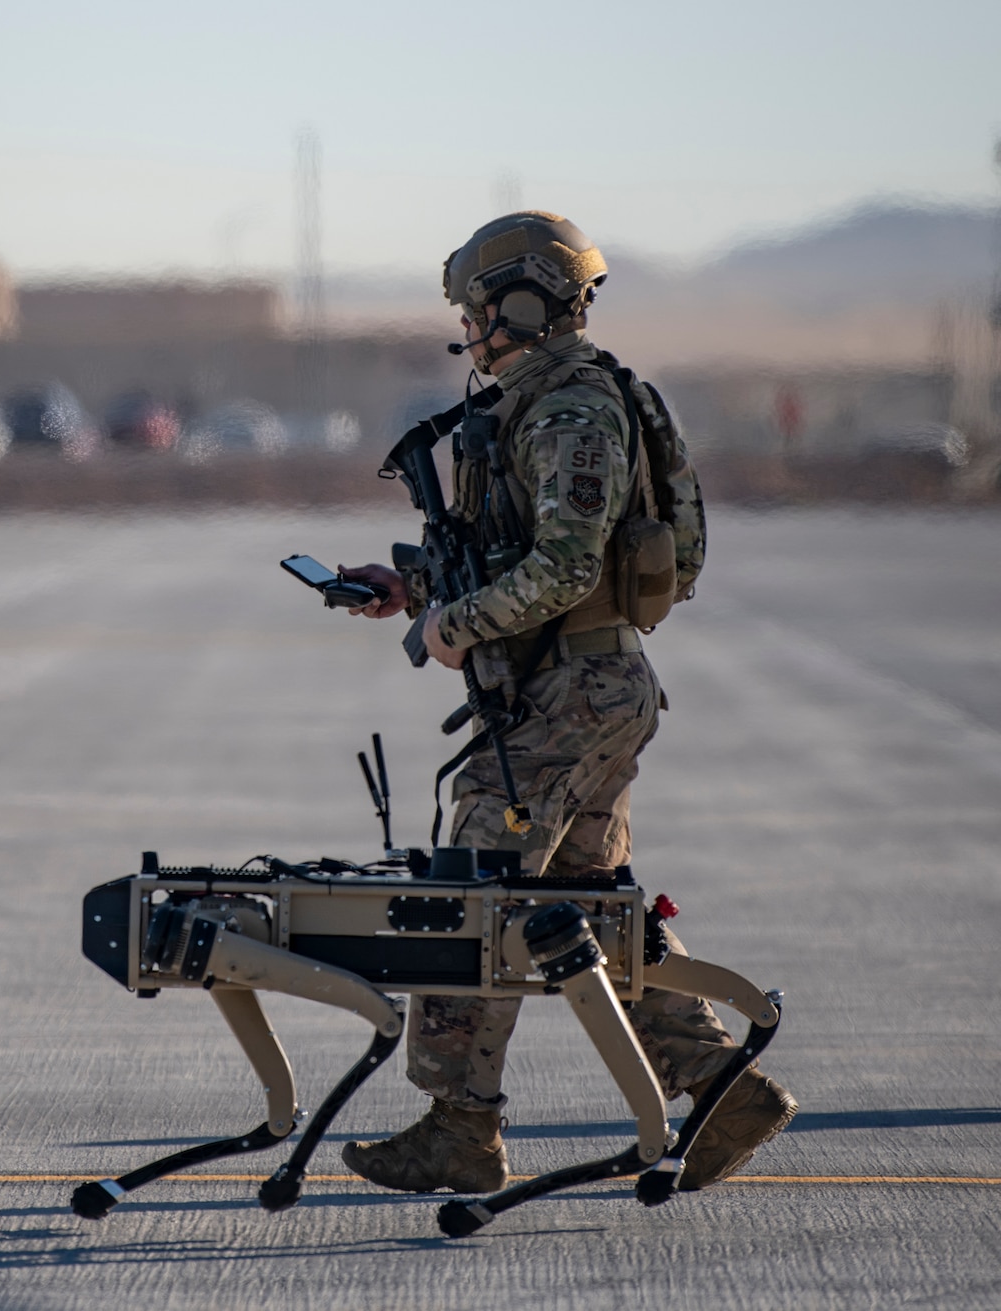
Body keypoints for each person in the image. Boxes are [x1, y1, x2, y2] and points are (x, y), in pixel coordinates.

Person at [332, 211, 795, 1195]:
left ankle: (459, 1128)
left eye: (477, 308)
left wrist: (453, 626)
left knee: (468, 898)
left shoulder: (570, 412)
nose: (468, 328)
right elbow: (524, 564)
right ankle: (722, 1091)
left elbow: (564, 566)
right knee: (581, 912)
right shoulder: (535, 405)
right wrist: (413, 591)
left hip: (569, 696)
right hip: (573, 690)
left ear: (528, 302)